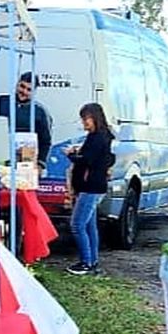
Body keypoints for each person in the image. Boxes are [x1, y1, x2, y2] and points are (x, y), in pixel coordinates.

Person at [66, 102, 115, 275]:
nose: (84, 122)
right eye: (83, 119)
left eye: (87, 118)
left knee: (77, 225)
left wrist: (71, 155)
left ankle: (86, 262)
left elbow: (87, 160)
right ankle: (92, 260)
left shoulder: (97, 138)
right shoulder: (102, 137)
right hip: (96, 186)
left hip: (90, 187)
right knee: (89, 225)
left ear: (96, 118)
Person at [0, 72, 53, 170]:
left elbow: (46, 141)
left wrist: (40, 164)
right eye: (22, 86)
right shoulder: (0, 103)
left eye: (29, 89)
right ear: (17, 84)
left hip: (26, 163)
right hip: (0, 160)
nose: (24, 91)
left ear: (34, 92)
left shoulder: (40, 111)